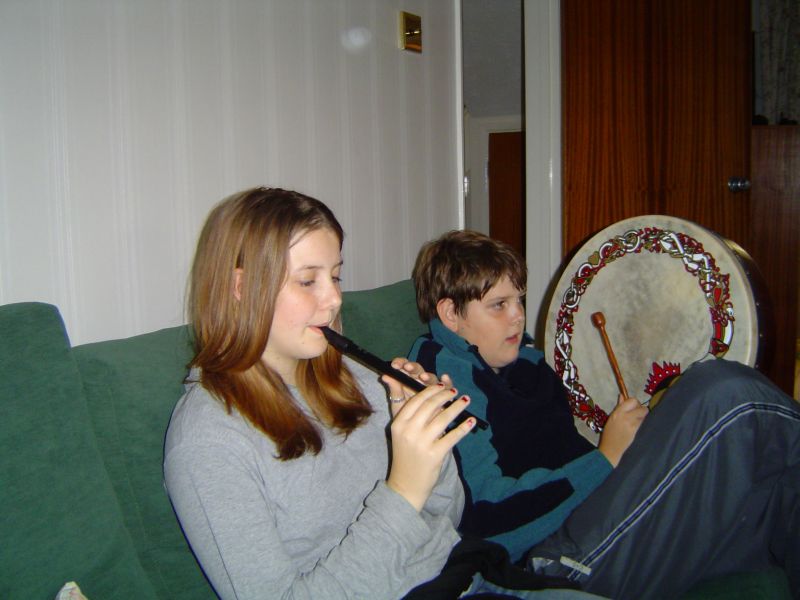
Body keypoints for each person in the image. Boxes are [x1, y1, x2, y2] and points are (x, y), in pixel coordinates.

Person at [163, 187, 605, 600]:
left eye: (336, 276)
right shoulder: (209, 442)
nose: (334, 299)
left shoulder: (355, 377)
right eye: (308, 281)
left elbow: (448, 517)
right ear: (241, 288)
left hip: (472, 574)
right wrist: (403, 489)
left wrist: (423, 441)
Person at [408, 229, 800, 599]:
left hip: (596, 512)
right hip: (553, 555)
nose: (518, 316)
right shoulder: (440, 381)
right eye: (499, 305)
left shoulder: (526, 363)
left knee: (766, 484)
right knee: (724, 393)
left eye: (519, 300)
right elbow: (485, 518)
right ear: (451, 313)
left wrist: (635, 446)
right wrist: (605, 459)